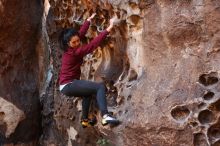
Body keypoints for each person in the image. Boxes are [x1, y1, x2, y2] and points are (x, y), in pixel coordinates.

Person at [58, 13, 120, 128]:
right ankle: (105, 116)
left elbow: (80, 34)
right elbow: (92, 45)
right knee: (99, 87)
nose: (77, 43)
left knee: (87, 94)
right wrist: (108, 29)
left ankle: (85, 120)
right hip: (69, 84)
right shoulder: (75, 52)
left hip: (65, 86)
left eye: (77, 41)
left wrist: (88, 21)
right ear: (68, 44)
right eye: (74, 42)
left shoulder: (72, 46)